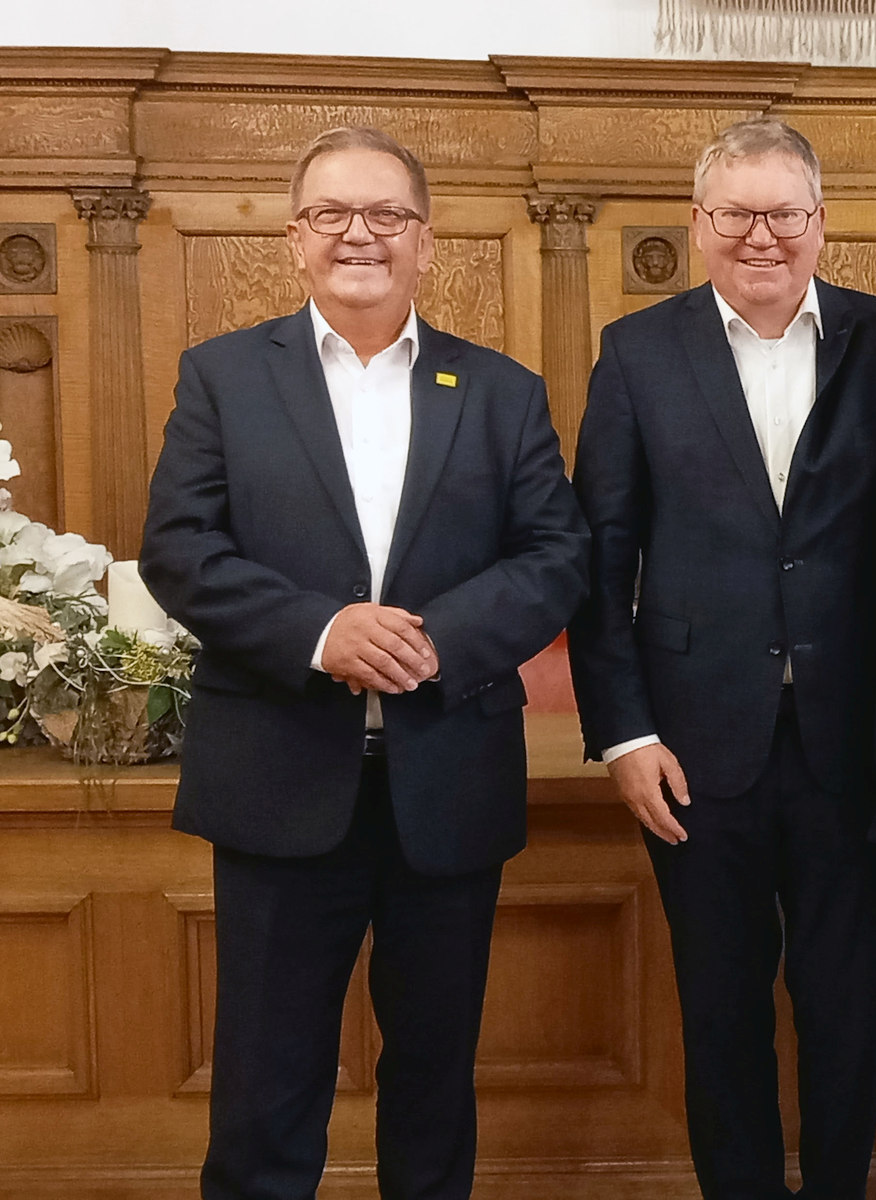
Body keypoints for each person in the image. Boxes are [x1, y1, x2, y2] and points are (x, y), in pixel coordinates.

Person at [139, 126, 588, 1200]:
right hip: (281, 782)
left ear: (426, 243)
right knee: (266, 1085)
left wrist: (435, 643)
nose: (360, 235)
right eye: (333, 213)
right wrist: (321, 630)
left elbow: (557, 554)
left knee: (433, 1081)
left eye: (387, 214)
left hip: (447, 785)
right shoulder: (224, 378)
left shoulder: (500, 391)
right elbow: (180, 548)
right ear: (295, 239)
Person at [567, 117, 876, 1200]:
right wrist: (625, 732)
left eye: (784, 212)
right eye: (736, 213)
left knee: (847, 1012)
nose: (761, 235)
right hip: (692, 748)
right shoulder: (638, 353)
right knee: (720, 1013)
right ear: (698, 227)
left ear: (821, 223)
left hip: (857, 747)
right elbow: (600, 556)